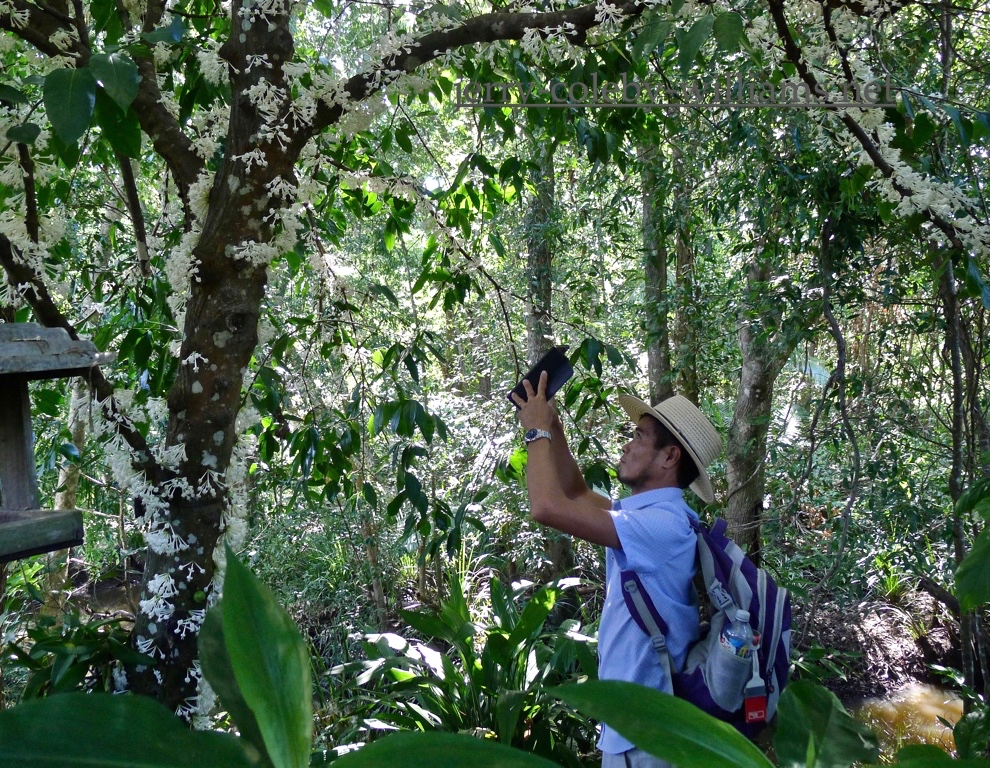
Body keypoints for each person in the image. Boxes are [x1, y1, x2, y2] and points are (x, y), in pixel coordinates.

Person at [511, 371, 723, 768]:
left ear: (669, 456)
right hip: (640, 730)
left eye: (640, 437)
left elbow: (546, 506)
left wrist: (536, 433)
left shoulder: (664, 526)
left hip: (646, 737)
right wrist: (553, 425)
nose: (627, 445)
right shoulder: (655, 515)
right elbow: (574, 493)